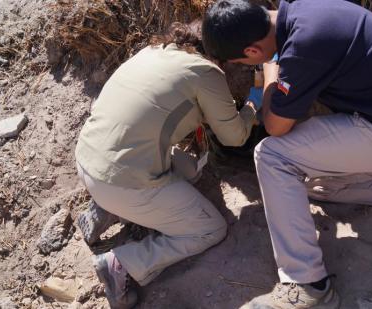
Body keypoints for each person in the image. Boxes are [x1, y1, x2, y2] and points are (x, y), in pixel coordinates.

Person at [202, 1, 372, 308]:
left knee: (272, 157)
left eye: (244, 61)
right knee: (299, 184)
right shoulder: (301, 13)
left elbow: (275, 127)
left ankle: (308, 285)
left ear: (253, 52)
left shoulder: (303, 45)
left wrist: (269, 73)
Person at [74, 21, 259, 308]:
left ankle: (108, 208)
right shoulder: (207, 72)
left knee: (189, 170)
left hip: (89, 159)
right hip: (122, 181)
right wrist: (252, 106)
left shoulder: (154, 50)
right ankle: (121, 263)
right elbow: (234, 136)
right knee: (210, 229)